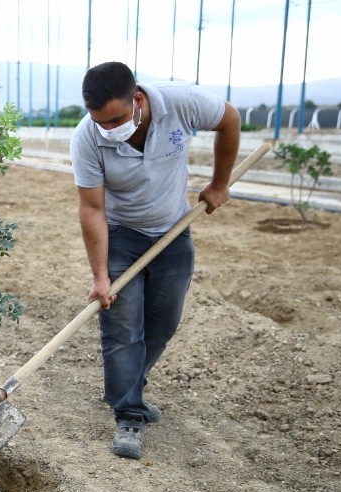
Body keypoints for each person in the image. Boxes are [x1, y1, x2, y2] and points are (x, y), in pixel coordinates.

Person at [69, 61, 241, 460]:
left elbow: (230, 119)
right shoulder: (87, 138)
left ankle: (130, 387)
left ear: (138, 99)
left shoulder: (182, 102)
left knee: (163, 322)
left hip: (174, 230)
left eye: (116, 119)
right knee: (123, 326)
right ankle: (129, 413)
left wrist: (219, 182)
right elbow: (91, 209)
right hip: (122, 236)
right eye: (100, 122)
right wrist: (100, 275)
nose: (108, 129)